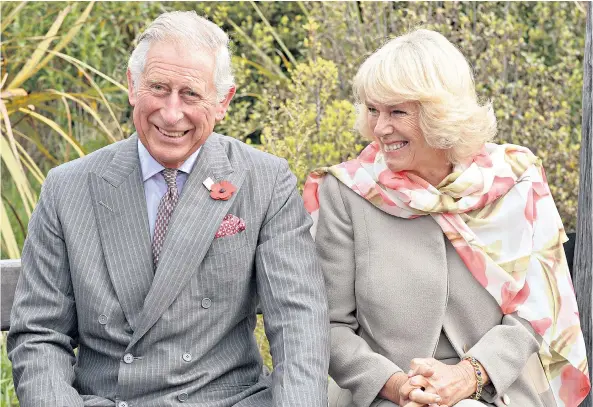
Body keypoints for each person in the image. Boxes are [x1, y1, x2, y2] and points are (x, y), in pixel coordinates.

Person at [8, 11, 329, 407]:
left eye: (191, 94)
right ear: (131, 85)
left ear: (223, 102)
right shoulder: (68, 187)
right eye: (158, 88)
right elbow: (39, 335)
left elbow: (299, 322)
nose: (171, 113)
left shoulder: (265, 180)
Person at [303, 29, 590, 407]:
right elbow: (330, 325)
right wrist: (395, 385)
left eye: (397, 112)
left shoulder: (515, 180)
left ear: (440, 115)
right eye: (373, 110)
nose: (380, 128)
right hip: (378, 395)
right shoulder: (347, 190)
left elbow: (537, 308)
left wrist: (468, 375)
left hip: (496, 389)